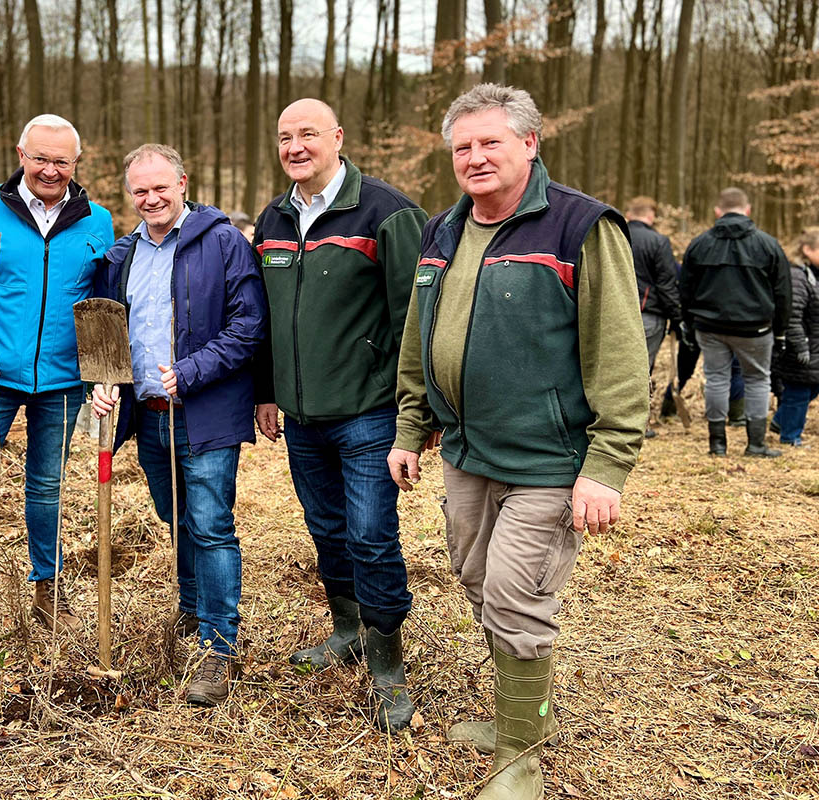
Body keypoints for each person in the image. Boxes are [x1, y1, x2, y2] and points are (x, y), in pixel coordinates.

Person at [387, 84, 648, 799]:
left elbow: (620, 356)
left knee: (513, 594)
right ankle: (526, 713)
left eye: (490, 142)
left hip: (550, 460)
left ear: (530, 144)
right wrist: (412, 426)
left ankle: (519, 758)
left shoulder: (580, 228)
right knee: (475, 579)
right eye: (462, 147)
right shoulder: (442, 230)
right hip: (468, 451)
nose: (474, 158)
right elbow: (419, 337)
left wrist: (606, 466)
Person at [253, 98, 425, 732]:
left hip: (368, 411)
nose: (295, 146)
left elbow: (416, 315)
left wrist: (416, 409)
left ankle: (387, 662)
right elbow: (265, 318)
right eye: (284, 137)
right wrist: (267, 391)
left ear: (337, 138)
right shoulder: (272, 219)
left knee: (371, 533)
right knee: (326, 528)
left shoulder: (388, 211)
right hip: (300, 414)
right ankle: (348, 628)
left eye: (308, 135)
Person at [90, 144, 266, 705]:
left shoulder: (223, 242)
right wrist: (105, 383)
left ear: (183, 182)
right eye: (140, 190)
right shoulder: (122, 256)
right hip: (148, 415)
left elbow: (249, 325)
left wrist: (190, 372)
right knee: (178, 518)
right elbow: (111, 333)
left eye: (160, 187)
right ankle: (192, 610)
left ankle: (219, 647)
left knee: (211, 524)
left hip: (205, 412)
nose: (151, 198)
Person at [0, 114, 115, 631]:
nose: (50, 170)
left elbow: (106, 302)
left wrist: (103, 372)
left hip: (62, 383)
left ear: (77, 163)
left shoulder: (97, 222)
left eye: (62, 161)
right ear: (20, 155)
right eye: (40, 158)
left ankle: (46, 587)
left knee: (46, 488)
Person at [679, 187, 792, 457]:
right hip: (755, 328)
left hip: (710, 326)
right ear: (748, 210)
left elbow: (684, 288)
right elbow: (784, 291)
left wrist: (687, 322)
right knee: (757, 380)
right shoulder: (768, 244)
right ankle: (756, 444)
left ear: (718, 211)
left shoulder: (699, 243)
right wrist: (781, 330)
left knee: (716, 379)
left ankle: (717, 445)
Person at [771, 228, 819, 446]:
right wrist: (800, 346)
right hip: (801, 347)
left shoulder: (813, 274)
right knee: (798, 392)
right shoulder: (797, 276)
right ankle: (790, 437)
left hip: (815, 347)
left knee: (809, 389)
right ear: (807, 250)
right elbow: (792, 316)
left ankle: (781, 421)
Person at [624, 196, 682, 372]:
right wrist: (677, 317)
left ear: (628, 214)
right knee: (639, 374)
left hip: (609, 314)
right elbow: (666, 285)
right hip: (646, 316)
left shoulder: (611, 236)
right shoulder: (658, 241)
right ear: (651, 215)